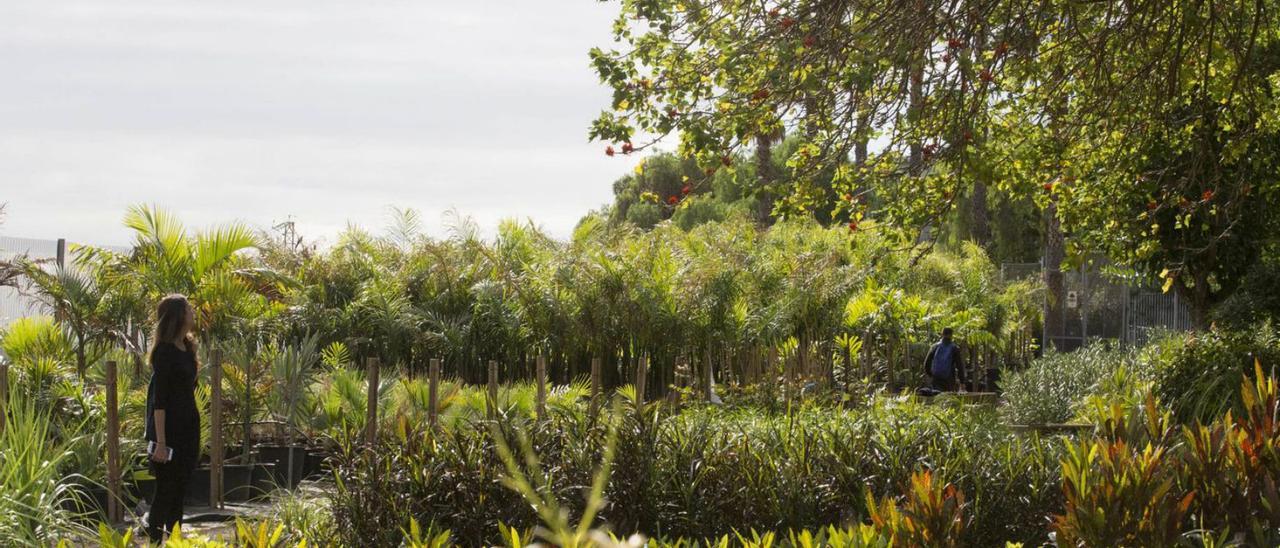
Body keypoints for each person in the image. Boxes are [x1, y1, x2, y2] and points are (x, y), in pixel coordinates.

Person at [143, 294, 201, 542]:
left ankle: (175, 541)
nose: (192, 312)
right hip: (168, 433)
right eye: (188, 309)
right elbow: (160, 402)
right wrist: (162, 442)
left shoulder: (187, 348)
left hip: (188, 428)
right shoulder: (164, 353)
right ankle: (155, 542)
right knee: (165, 493)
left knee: (179, 494)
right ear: (178, 316)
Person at [923, 327, 966, 392]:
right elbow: (959, 366)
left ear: (942, 334)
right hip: (949, 378)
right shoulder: (954, 348)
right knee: (948, 399)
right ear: (951, 335)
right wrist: (962, 381)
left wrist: (931, 375)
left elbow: (926, 363)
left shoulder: (935, 346)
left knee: (937, 396)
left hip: (936, 378)